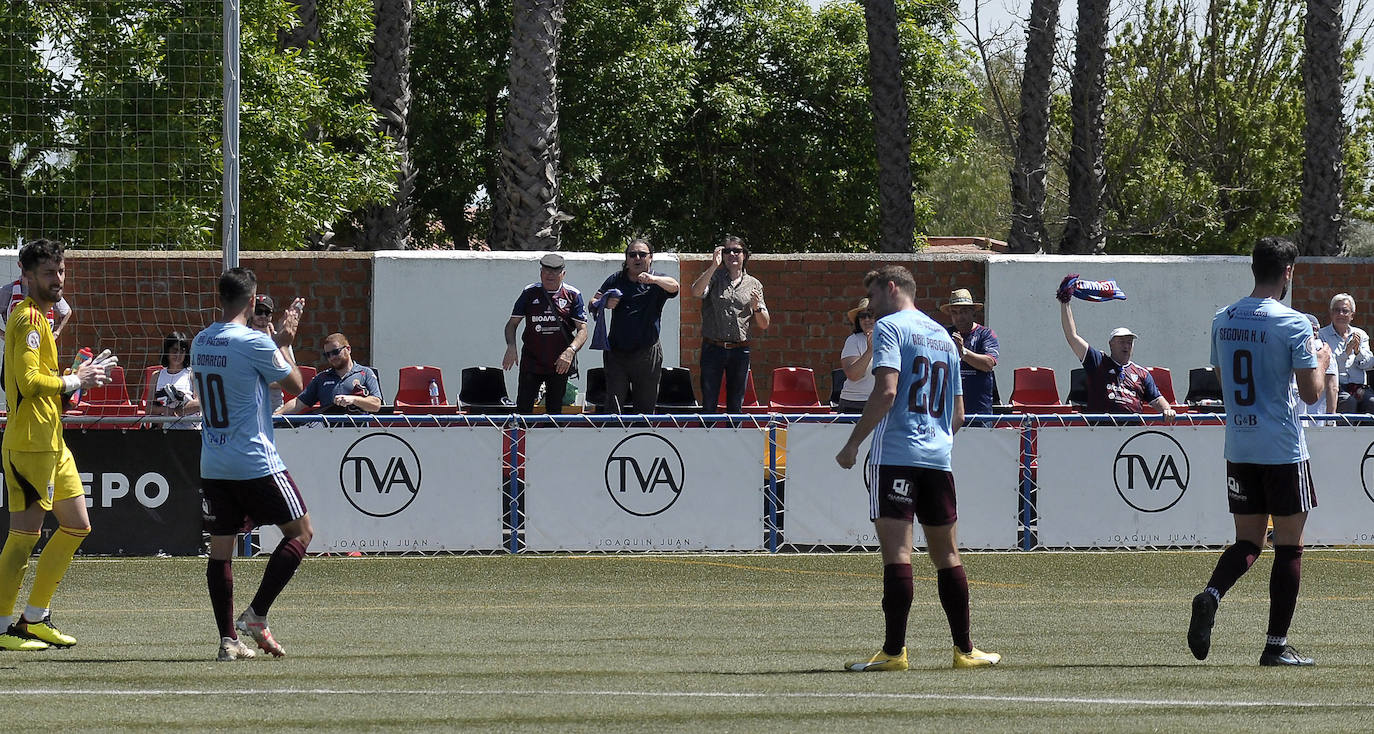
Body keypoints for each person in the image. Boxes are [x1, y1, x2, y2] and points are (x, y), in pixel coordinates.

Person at [835, 265, 1001, 671]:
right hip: (937, 459)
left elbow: (887, 390)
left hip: (895, 457)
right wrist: (935, 439)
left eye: (873, 298)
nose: (870, 310)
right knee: (948, 556)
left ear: (891, 289)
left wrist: (853, 442)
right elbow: (958, 413)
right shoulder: (943, 335)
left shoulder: (892, 327)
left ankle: (894, 652)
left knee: (898, 555)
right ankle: (966, 651)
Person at [1188, 236, 1330, 667]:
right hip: (1283, 448)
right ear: (1287, 272)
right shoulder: (1292, 324)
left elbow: (1219, 374)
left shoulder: (1223, 317)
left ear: (1254, 268)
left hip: (1240, 443)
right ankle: (1275, 646)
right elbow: (1310, 393)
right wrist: (1322, 358)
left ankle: (1211, 594)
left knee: (1247, 541)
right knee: (1290, 546)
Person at [0, 239, 113, 651]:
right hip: (30, 445)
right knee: (24, 537)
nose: (58, 279)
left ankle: (34, 618)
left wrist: (75, 374)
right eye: (49, 273)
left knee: (77, 526)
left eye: (61, 271)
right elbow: (28, 385)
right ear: (27, 277)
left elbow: (35, 382)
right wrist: (74, 381)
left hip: (52, 440)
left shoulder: (43, 320)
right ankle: (0, 627)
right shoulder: (28, 319)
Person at [193, 268, 311, 661]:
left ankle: (228, 641)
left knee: (220, 551)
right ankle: (256, 614)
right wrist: (285, 344)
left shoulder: (200, 340)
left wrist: (271, 342)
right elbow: (295, 385)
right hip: (254, 459)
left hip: (213, 460)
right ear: (251, 300)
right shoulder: (253, 342)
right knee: (301, 532)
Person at [593, 238, 680, 413]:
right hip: (617, 354)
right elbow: (593, 301)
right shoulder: (616, 279)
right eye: (632, 255)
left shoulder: (657, 280)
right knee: (613, 409)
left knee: (645, 410)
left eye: (642, 254)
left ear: (650, 258)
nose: (637, 258)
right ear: (626, 258)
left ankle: (643, 440)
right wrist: (605, 302)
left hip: (647, 354)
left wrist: (653, 279)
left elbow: (675, 287)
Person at [1059, 299, 1176, 421]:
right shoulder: (1099, 361)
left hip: (1132, 433)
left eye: (1129, 342)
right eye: (1121, 342)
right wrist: (1064, 303)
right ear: (1111, 344)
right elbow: (1072, 337)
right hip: (1101, 430)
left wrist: (1167, 409)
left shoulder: (1142, 373)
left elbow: (1157, 399)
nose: (1126, 346)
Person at [503, 253, 589, 414]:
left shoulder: (573, 294)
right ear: (541, 272)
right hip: (532, 360)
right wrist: (511, 346)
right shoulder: (529, 292)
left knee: (555, 410)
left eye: (554, 272)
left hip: (559, 363)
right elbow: (512, 324)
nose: (549, 275)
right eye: (546, 271)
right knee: (523, 409)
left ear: (563, 274)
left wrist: (570, 352)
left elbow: (583, 330)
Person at [691, 236, 769, 412]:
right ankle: (707, 437)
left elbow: (764, 323)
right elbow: (696, 291)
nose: (732, 254)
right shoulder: (714, 278)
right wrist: (713, 266)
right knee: (709, 403)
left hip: (740, 351)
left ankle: (733, 437)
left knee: (735, 405)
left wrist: (757, 308)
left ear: (744, 255)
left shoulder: (754, 284)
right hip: (713, 348)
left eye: (736, 251)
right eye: (727, 251)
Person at [278, 333, 382, 415]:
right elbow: (298, 403)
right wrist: (277, 415)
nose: (332, 357)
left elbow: (376, 404)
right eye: (327, 355)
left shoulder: (365, 373)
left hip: (359, 433)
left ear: (348, 349)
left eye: (336, 352)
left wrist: (353, 399)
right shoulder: (321, 378)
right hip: (329, 434)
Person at [941, 288, 999, 414]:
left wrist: (962, 352)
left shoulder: (986, 334)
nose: (959, 317)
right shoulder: (943, 335)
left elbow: (988, 364)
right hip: (948, 411)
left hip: (979, 412)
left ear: (973, 312)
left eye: (964, 311)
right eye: (954, 312)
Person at [1317, 293, 1374, 413]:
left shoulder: (1360, 335)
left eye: (1345, 311)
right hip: (1335, 386)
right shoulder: (1322, 335)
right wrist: (1346, 353)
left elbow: (1369, 365)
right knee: (1348, 401)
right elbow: (1326, 365)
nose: (1340, 314)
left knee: (1371, 402)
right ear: (1331, 313)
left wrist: (1358, 352)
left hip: (1358, 387)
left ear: (1352, 315)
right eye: (1337, 310)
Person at [143, 331, 202, 427]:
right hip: (164, 430)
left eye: (182, 351)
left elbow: (199, 403)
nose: (178, 355)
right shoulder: (156, 376)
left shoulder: (192, 374)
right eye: (174, 351)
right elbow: (148, 408)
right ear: (167, 351)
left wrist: (177, 411)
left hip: (189, 429)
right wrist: (164, 410)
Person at [837, 298, 876, 413]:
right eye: (863, 316)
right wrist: (870, 351)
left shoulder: (893, 340)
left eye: (871, 315)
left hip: (882, 403)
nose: (867, 319)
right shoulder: (853, 340)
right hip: (855, 404)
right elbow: (853, 375)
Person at [1, 275, 72, 338]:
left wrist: (57, 333)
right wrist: (4, 335)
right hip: (15, 346)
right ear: (20, 265)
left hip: (42, 347)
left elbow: (67, 311)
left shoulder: (47, 290)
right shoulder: (8, 290)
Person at [1298, 314, 1339, 423]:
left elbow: (1332, 387)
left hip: (1316, 418)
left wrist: (1330, 419)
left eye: (1315, 329)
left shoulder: (1324, 351)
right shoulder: (1295, 350)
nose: (1313, 332)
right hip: (1300, 416)